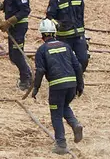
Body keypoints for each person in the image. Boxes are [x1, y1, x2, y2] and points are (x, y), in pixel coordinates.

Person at [32, 18, 84, 155]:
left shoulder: (42, 50)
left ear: (42, 35)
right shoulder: (66, 45)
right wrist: (80, 84)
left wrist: (35, 88)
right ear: (54, 32)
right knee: (64, 106)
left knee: (56, 114)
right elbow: (78, 66)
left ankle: (61, 143)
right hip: (71, 84)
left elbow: (40, 71)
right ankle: (75, 124)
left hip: (57, 86)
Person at [46, 0, 90, 72]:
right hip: (64, 38)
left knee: (83, 60)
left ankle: (78, 77)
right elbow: (49, 17)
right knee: (65, 63)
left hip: (78, 36)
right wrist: (57, 24)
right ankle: (72, 84)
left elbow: (81, 15)